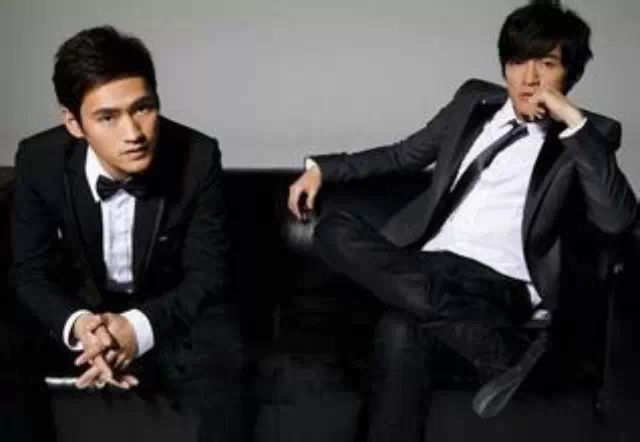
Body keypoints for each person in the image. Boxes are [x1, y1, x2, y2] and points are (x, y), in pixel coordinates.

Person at [287, 1, 636, 441]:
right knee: (333, 230)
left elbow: (617, 219)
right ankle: (496, 347)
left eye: (547, 65)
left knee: (399, 327)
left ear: (570, 74)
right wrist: (323, 168)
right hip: (427, 266)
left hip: (496, 284)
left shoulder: (589, 135)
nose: (529, 79)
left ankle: (486, 337)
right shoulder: (473, 101)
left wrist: (571, 120)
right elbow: (403, 155)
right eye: (517, 62)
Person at [9, 26, 245, 441]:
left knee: (226, 347)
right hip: (80, 309)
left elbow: (209, 274)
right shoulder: (39, 159)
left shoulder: (198, 156)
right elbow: (30, 270)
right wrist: (81, 325)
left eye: (143, 108)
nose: (133, 134)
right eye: (107, 117)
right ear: (73, 122)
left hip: (166, 310)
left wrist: (136, 328)